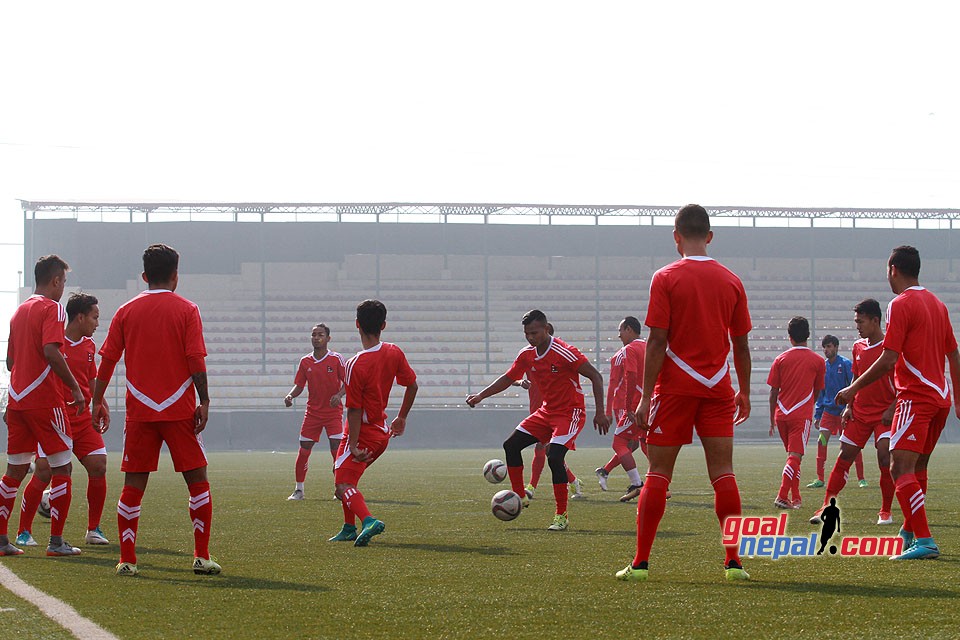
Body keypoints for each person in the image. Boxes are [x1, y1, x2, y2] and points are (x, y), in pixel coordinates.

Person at [615, 204, 752, 582]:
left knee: (658, 473)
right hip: (718, 387)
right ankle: (734, 563)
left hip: (675, 388)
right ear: (709, 237)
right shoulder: (731, 280)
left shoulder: (665, 277)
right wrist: (743, 390)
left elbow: (657, 339)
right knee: (723, 473)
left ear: (676, 237)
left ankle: (641, 564)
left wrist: (644, 398)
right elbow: (740, 345)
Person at [91, 244, 219, 576]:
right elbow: (195, 360)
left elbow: (107, 360)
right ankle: (201, 556)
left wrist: (97, 399)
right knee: (197, 480)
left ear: (145, 276)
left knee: (133, 484)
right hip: (179, 409)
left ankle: (128, 560)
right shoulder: (188, 309)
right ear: (175, 276)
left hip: (140, 412)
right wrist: (204, 400)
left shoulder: (125, 311)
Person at [836, 245, 960, 560]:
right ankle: (907, 532)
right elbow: (953, 354)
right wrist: (957, 400)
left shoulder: (900, 304)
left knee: (899, 467)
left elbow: (889, 358)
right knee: (918, 468)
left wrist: (853, 389)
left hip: (916, 396)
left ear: (893, 269)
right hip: (941, 398)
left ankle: (925, 540)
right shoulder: (938, 304)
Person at [466, 310, 609, 531]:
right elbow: (507, 378)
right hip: (546, 412)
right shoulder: (527, 354)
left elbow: (596, 376)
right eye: (527, 334)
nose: (530, 338)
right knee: (511, 445)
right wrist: (480, 396)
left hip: (570, 413)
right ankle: (520, 496)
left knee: (554, 456)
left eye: (534, 332)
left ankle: (561, 515)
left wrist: (600, 412)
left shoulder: (565, 352)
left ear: (546, 328)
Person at [1, 255, 85, 557]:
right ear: (56, 281)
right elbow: (51, 350)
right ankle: (56, 542)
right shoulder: (53, 309)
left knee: (14, 469)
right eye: (63, 281)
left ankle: (2, 540)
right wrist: (74, 387)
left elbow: (10, 362)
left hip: (17, 399)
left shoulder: (19, 312)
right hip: (46, 400)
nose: (63, 287)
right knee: (63, 467)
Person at [16, 292, 111, 548]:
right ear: (80, 317)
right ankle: (23, 532)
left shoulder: (90, 346)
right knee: (46, 471)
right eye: (94, 317)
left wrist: (99, 402)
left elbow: (91, 379)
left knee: (99, 465)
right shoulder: (54, 342)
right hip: (54, 418)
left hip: (81, 420)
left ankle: (93, 529)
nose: (97, 323)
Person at [328, 299, 418, 546]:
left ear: (357, 324)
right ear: (384, 325)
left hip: (363, 434)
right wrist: (402, 418)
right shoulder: (394, 351)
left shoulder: (354, 364)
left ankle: (368, 521)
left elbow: (354, 410)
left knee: (342, 485)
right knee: (344, 476)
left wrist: (354, 444)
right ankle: (348, 527)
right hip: (382, 431)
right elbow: (412, 385)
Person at [809, 299, 896, 526]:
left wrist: (892, 407)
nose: (857, 326)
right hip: (860, 412)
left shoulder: (891, 348)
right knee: (844, 455)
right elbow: (856, 377)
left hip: (884, 414)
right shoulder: (858, 346)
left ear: (875, 321)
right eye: (856, 321)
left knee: (884, 455)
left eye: (861, 321)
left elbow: (902, 381)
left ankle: (885, 511)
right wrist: (849, 405)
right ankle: (826, 506)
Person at [519, 325, 584, 501]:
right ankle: (573, 480)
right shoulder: (528, 355)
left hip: (556, 411)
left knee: (544, 449)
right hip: (538, 409)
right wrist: (520, 383)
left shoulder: (557, 356)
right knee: (547, 451)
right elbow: (513, 377)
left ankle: (531, 487)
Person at [767, 317, 825, 510]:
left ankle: (796, 498)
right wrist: (809, 405)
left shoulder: (780, 359)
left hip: (781, 414)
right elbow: (817, 390)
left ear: (789, 337)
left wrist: (772, 419)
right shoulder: (817, 361)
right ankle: (782, 496)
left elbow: (773, 392)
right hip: (801, 415)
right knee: (795, 456)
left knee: (793, 456)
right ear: (808, 335)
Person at [283, 324, 346, 500]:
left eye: (320, 335)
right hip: (312, 413)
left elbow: (347, 381)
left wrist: (339, 395)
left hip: (333, 413)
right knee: (304, 450)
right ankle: (299, 490)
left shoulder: (336, 359)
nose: (316, 338)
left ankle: (339, 489)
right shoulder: (305, 361)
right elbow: (300, 385)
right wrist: (290, 396)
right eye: (313, 335)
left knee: (336, 451)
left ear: (328, 338)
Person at [595, 317, 649, 502]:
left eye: (620, 330)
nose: (618, 335)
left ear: (629, 329)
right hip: (653, 401)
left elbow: (616, 384)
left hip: (631, 403)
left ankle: (638, 483)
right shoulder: (651, 347)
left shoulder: (625, 352)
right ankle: (658, 483)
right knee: (641, 442)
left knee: (622, 443)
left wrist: (614, 409)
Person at [809, 336, 865, 489]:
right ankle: (820, 478)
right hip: (828, 412)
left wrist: (851, 407)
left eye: (829, 346)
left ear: (836, 347)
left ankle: (861, 478)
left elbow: (853, 386)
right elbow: (821, 392)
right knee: (822, 440)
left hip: (843, 412)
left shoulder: (846, 364)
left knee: (851, 444)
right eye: (824, 347)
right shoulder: (823, 367)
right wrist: (818, 414)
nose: (826, 350)